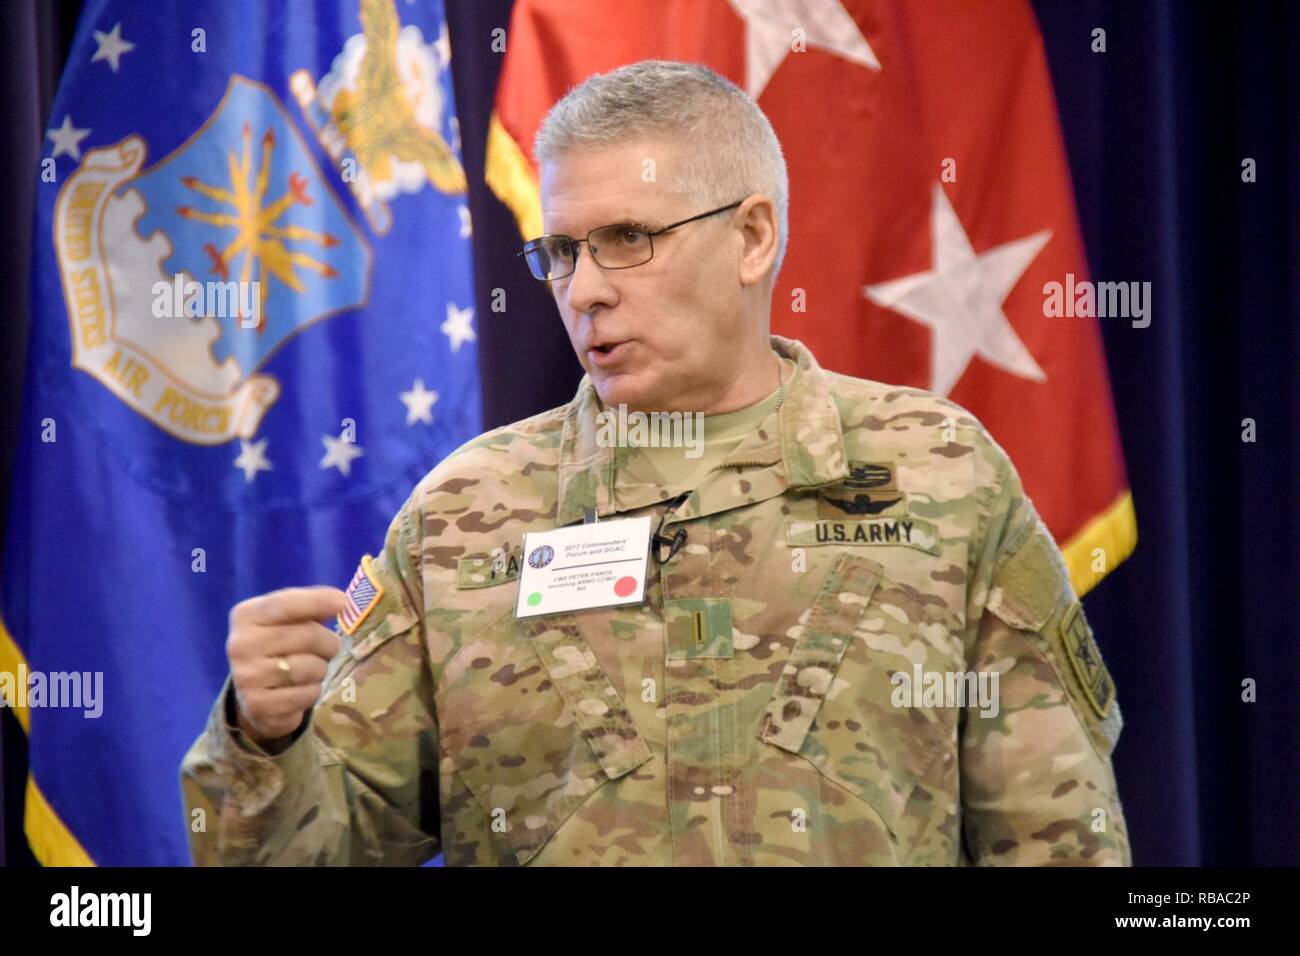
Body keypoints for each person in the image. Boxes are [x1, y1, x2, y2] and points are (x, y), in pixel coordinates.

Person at [181, 60, 1130, 866]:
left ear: (753, 237)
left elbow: (1059, 837)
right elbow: (313, 845)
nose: (584, 290)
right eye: (560, 251)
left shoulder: (941, 476)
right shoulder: (465, 511)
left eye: (628, 240)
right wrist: (265, 740)